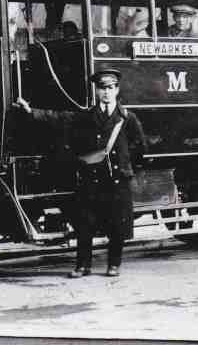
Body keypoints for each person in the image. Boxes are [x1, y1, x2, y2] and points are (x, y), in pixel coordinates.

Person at [14, 69, 146, 278]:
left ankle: (114, 265)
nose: (106, 92)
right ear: (97, 90)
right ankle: (83, 266)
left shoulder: (127, 118)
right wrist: (31, 111)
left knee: (117, 225)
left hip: (117, 179)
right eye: (102, 88)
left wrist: (127, 170)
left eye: (110, 88)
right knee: (85, 224)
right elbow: (57, 118)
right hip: (92, 179)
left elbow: (139, 148)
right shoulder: (86, 116)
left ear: (117, 90)